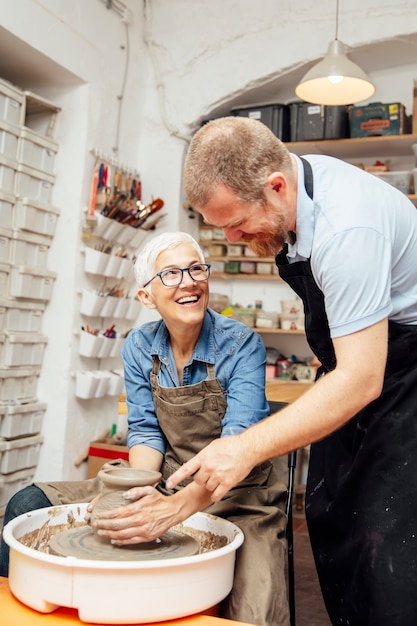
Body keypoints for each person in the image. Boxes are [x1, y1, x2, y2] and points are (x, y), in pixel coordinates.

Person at [167, 116, 417, 626]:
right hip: (358, 366)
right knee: (329, 518)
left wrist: (242, 447)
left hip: (405, 376)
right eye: (221, 229)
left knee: (386, 543)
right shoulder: (296, 193)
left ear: (275, 186)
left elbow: (363, 378)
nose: (234, 238)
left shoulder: (346, 229)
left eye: (235, 222)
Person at [0, 231, 290, 626]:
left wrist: (174, 509)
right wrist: (136, 491)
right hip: (165, 479)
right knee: (25, 505)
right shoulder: (139, 345)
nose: (188, 281)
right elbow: (146, 430)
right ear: (146, 297)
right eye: (170, 273)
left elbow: (236, 444)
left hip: (240, 493)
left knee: (255, 609)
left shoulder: (241, 345)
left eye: (195, 269)